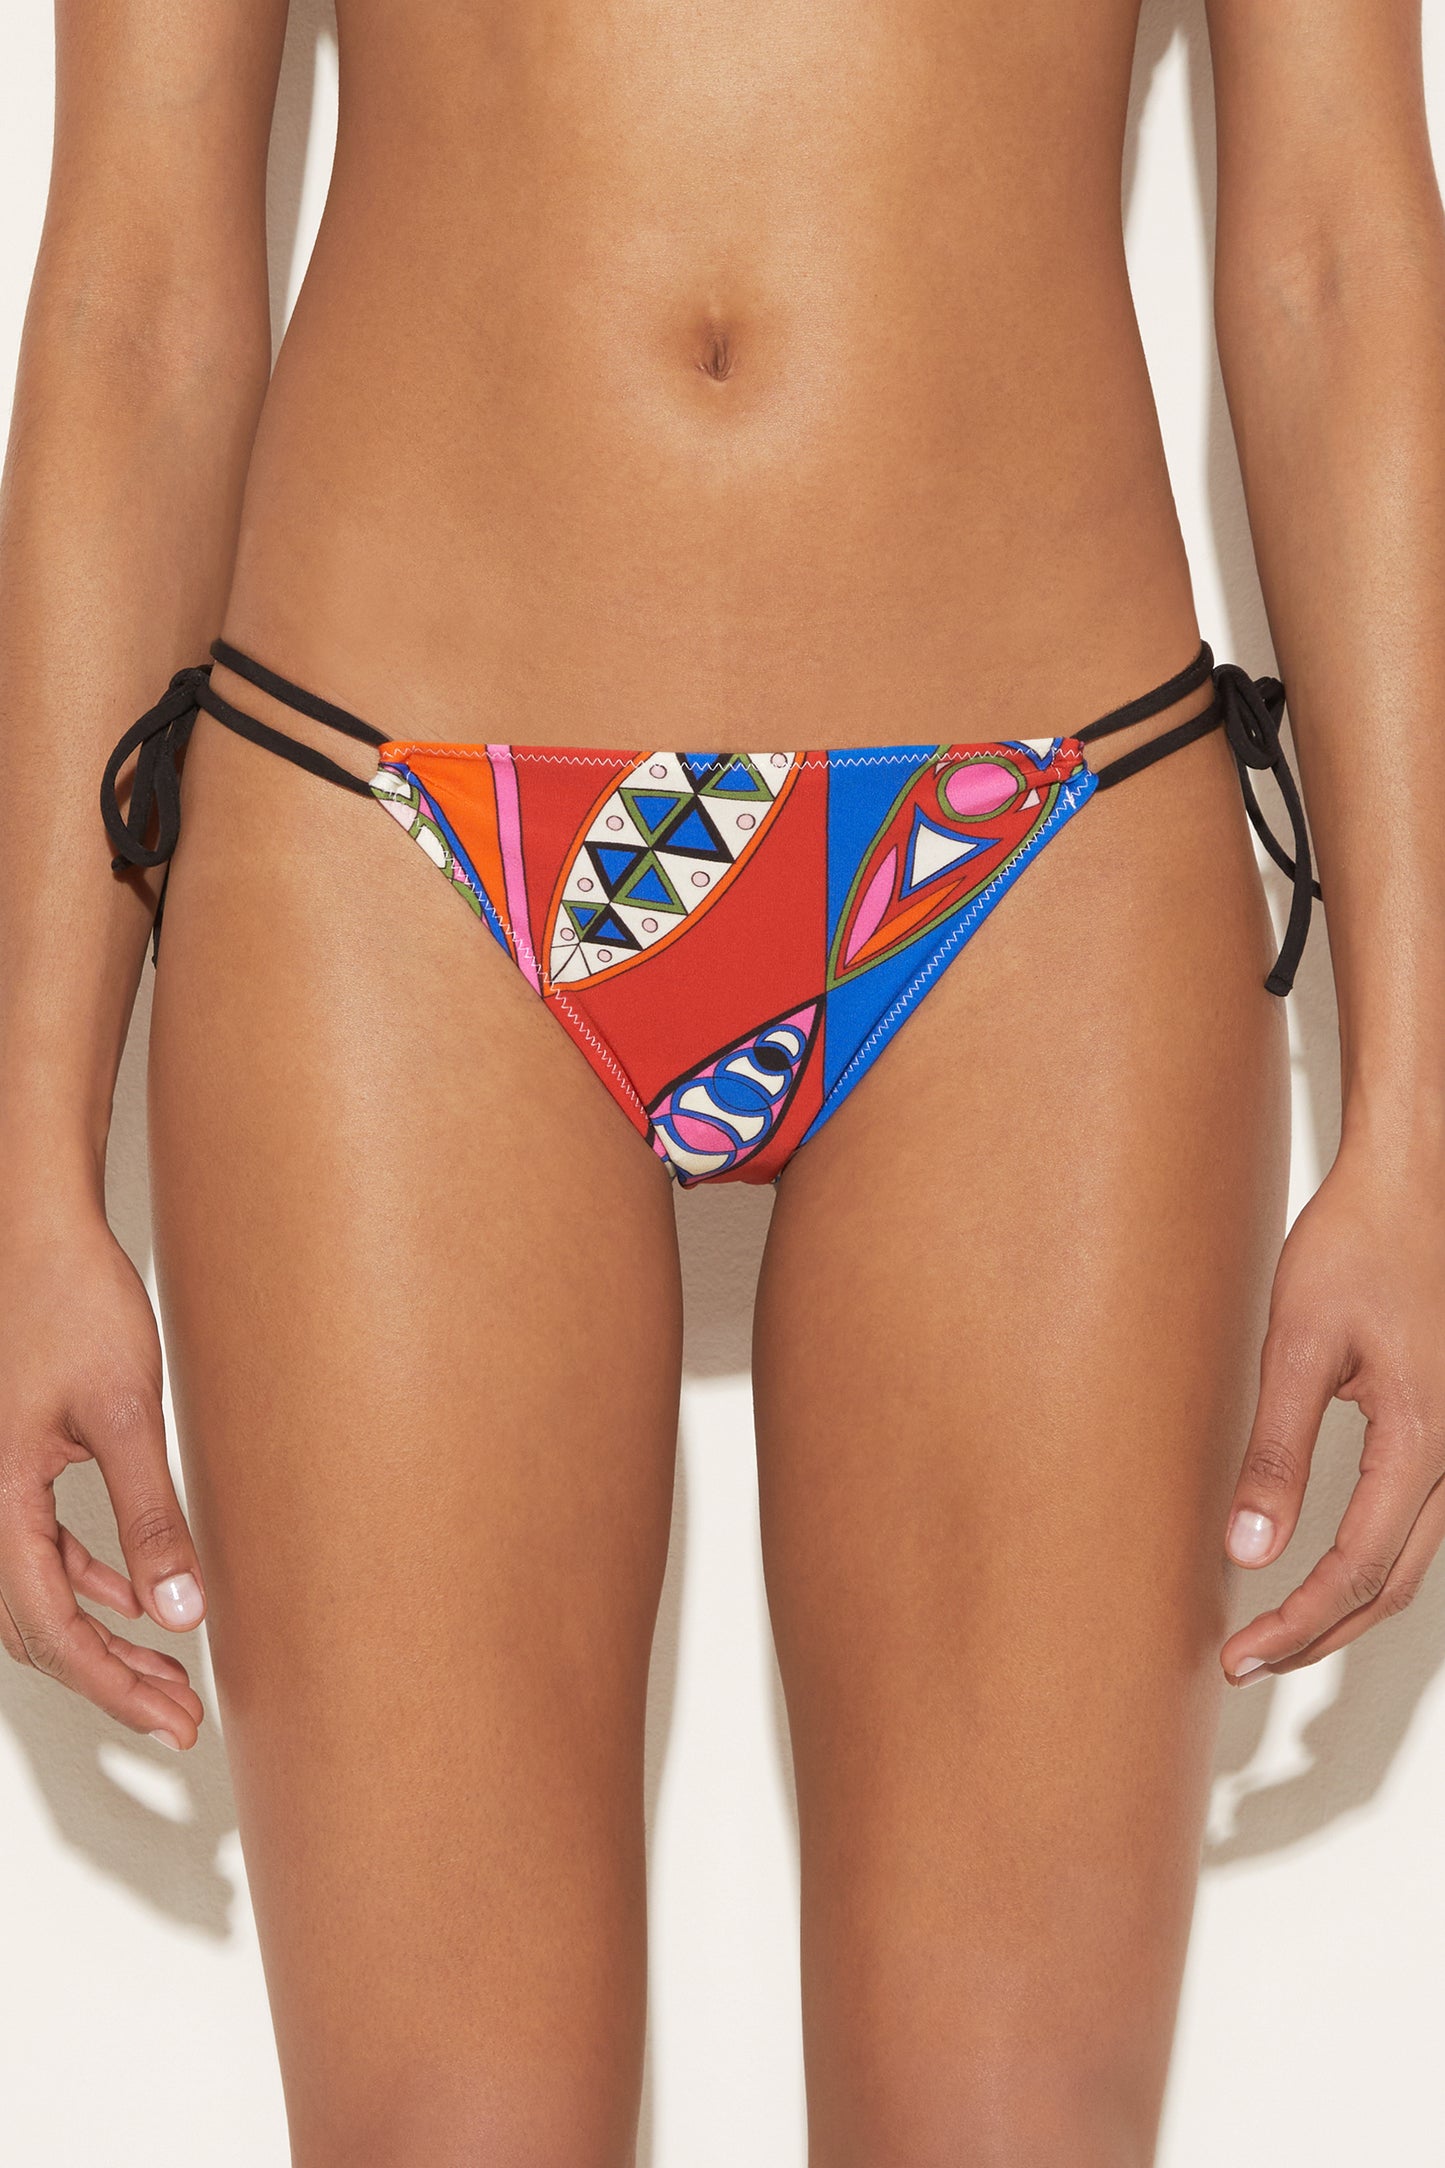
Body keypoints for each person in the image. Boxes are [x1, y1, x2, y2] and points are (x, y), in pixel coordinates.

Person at [1, 0, 1442, 2159]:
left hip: (1043, 844)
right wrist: (24, 1163)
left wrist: (1418, 1123)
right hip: (383, 816)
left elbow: (1337, 246)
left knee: (1015, 2127)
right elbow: (136, 283)